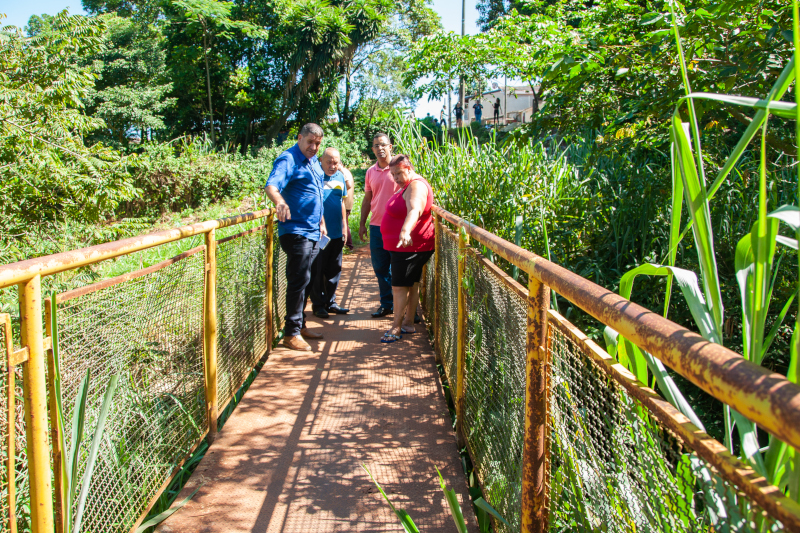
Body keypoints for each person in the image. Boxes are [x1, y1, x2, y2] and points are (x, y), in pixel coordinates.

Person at [265, 123, 327, 352]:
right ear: (299, 138)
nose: (313, 147)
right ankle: (290, 333)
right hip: (296, 231)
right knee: (299, 280)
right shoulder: (288, 159)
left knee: (308, 280)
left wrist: (321, 221)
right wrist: (280, 202)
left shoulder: (313, 162)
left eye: (317, 144)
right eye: (310, 142)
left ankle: (300, 326)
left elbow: (317, 192)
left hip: (313, 230)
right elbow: (271, 185)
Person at [379, 155, 435, 343]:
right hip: (410, 247)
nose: (395, 177)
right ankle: (408, 323)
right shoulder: (408, 184)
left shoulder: (416, 185)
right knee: (412, 284)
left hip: (409, 246)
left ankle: (396, 328)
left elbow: (415, 208)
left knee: (399, 287)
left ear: (409, 169)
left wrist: (405, 231)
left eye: (399, 173)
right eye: (393, 174)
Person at [359, 133, 397, 317]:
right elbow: (367, 200)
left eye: (383, 144)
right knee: (380, 267)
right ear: (372, 149)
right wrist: (362, 224)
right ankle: (387, 304)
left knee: (398, 267)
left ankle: (405, 308)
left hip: (398, 227)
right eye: (376, 145)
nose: (380, 148)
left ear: (390, 146)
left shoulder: (400, 167)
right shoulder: (369, 172)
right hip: (376, 227)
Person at [310, 147, 351, 318]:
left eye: (335, 162)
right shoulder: (315, 177)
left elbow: (341, 202)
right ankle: (318, 305)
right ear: (321, 160)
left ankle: (331, 302)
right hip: (319, 233)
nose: (332, 166)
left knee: (335, 268)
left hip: (336, 232)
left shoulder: (340, 177)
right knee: (318, 269)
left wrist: (344, 226)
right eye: (329, 162)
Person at [340, 163, 356, 251]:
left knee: (344, 224)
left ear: (340, 164)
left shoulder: (343, 172)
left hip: (345, 204)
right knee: (345, 223)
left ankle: (349, 245)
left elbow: (348, 185)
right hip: (347, 203)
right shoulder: (346, 171)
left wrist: (339, 192)